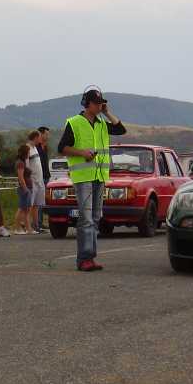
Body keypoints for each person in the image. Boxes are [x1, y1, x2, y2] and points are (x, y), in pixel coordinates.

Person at [58, 86, 126, 272]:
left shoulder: (102, 123)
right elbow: (62, 148)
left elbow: (121, 129)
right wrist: (82, 153)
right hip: (83, 177)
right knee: (86, 219)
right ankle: (84, 259)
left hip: (99, 176)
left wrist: (107, 112)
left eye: (101, 103)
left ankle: (90, 257)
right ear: (86, 104)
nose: (99, 106)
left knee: (95, 218)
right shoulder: (74, 122)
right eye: (97, 103)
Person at [26, 130, 45, 233]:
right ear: (35, 137)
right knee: (30, 204)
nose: (41, 139)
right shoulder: (27, 148)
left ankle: (36, 225)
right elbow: (26, 165)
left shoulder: (35, 148)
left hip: (39, 180)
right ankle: (27, 226)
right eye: (39, 137)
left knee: (37, 204)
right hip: (32, 180)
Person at [13, 144, 33, 235]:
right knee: (21, 208)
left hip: (28, 187)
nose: (29, 153)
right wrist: (25, 189)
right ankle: (17, 228)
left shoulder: (23, 162)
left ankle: (28, 229)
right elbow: (21, 177)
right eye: (28, 152)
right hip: (24, 189)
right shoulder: (20, 163)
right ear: (25, 153)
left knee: (26, 209)